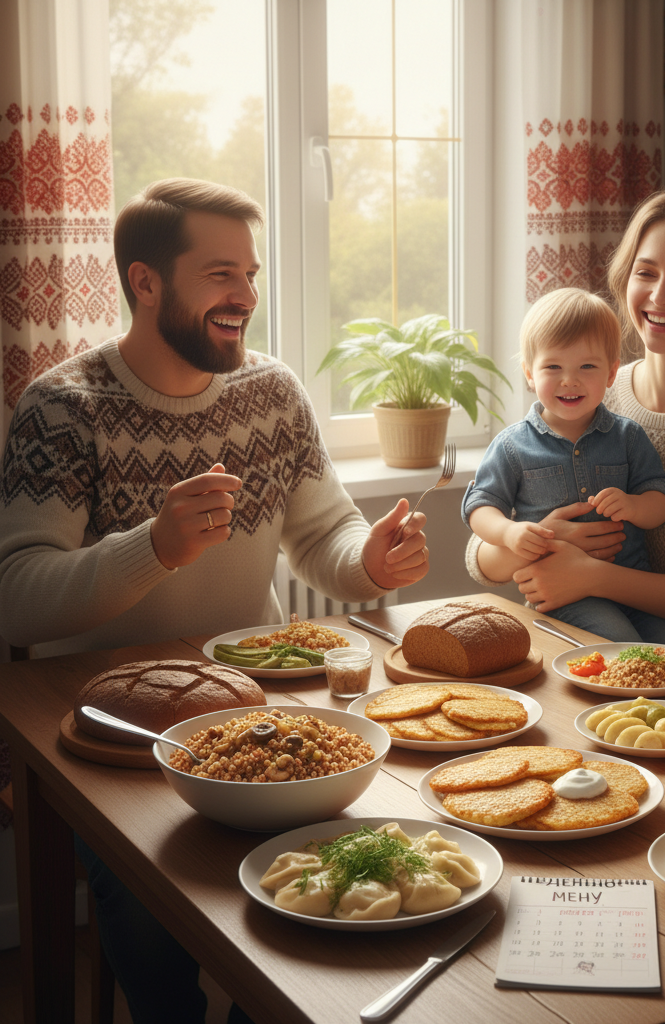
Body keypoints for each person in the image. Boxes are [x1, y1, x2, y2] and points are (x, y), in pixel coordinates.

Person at [0, 178, 430, 1024]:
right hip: (110, 734)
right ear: (145, 282)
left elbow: (325, 535)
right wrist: (152, 548)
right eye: (221, 274)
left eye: (252, 275)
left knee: (343, 864)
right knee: (151, 918)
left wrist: (371, 563)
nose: (247, 297)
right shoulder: (62, 408)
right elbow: (15, 597)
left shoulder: (270, 392)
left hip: (254, 715)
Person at [465, 188, 665, 661]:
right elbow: (482, 555)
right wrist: (542, 540)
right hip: (572, 645)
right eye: (646, 273)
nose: (660, 296)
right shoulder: (589, 388)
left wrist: (592, 575)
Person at [462, 287, 665, 645]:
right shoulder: (512, 446)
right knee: (614, 644)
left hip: (631, 586)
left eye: (587, 366)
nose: (569, 380)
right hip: (562, 597)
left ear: (612, 372)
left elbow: (662, 498)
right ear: (529, 373)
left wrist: (634, 505)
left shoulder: (627, 436)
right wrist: (510, 533)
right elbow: (479, 506)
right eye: (553, 367)